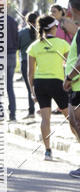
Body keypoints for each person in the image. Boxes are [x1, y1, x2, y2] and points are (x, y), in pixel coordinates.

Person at [27, 14, 70, 160]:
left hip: (40, 84)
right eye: (56, 26)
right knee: (72, 118)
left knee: (45, 119)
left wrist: (32, 92)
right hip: (57, 83)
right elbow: (70, 64)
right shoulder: (62, 43)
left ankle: (47, 151)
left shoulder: (34, 46)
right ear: (53, 28)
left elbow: (30, 73)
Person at [63, 0, 80, 176]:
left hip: (77, 85)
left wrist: (69, 77)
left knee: (77, 123)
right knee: (74, 124)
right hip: (76, 85)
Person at [18, 12, 38, 120]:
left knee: (30, 88)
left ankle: (31, 111)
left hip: (26, 62)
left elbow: (17, 46)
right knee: (38, 87)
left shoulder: (21, 33)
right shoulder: (40, 32)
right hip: (38, 62)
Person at [6, 12, 19, 122]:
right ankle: (12, 114)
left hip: (1, 56)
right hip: (12, 55)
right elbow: (17, 39)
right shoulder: (13, 21)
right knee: (10, 86)